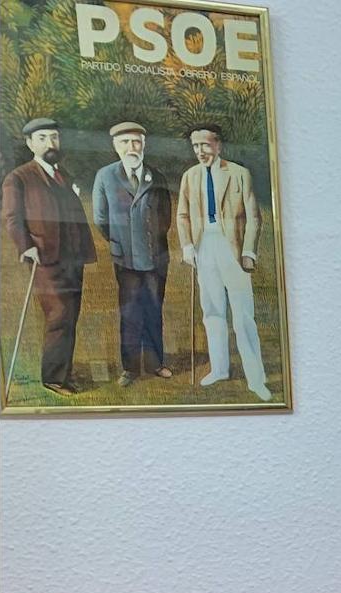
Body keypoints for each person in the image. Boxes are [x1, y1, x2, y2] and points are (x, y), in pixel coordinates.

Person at [0, 117, 97, 397]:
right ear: (30, 143)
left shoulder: (62, 174)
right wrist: (25, 246)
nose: (50, 143)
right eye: (42, 138)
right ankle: (53, 378)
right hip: (44, 257)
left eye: (54, 137)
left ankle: (63, 370)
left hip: (72, 257)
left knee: (71, 315)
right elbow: (12, 217)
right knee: (59, 314)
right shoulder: (18, 177)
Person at [176, 123, 270, 401]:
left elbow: (254, 217)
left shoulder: (239, 173)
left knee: (243, 315)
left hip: (233, 249)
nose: (200, 151)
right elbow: (182, 215)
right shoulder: (190, 176)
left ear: (218, 146)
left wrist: (249, 252)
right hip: (204, 248)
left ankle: (256, 378)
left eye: (205, 145)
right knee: (212, 311)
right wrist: (187, 246)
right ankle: (219, 369)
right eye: (195, 146)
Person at [93, 121, 174, 387]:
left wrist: (152, 242)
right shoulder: (105, 176)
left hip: (155, 257)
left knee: (153, 309)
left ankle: (155, 363)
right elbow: (101, 219)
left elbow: (165, 217)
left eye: (136, 142)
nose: (132, 147)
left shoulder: (156, 176)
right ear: (115, 146)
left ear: (144, 145)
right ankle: (130, 369)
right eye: (125, 142)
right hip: (125, 259)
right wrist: (120, 242)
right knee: (130, 313)